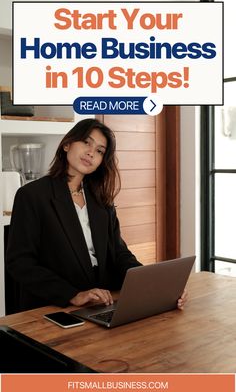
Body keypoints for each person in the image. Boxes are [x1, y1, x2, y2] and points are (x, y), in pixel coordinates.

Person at [6, 118, 187, 312]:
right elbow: (20, 262)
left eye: (100, 151)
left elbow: (119, 254)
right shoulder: (32, 195)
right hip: (55, 305)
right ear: (67, 144)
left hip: (102, 301)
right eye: (86, 142)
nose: (91, 152)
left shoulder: (101, 200)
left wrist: (154, 284)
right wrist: (72, 295)